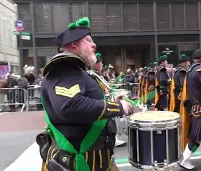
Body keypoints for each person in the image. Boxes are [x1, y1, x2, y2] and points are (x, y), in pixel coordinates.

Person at [36, 17, 132, 171]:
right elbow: (69, 106)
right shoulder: (65, 68)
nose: (94, 45)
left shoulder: (76, 70)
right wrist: (117, 107)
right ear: (73, 43)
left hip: (93, 159)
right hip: (80, 161)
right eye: (88, 40)